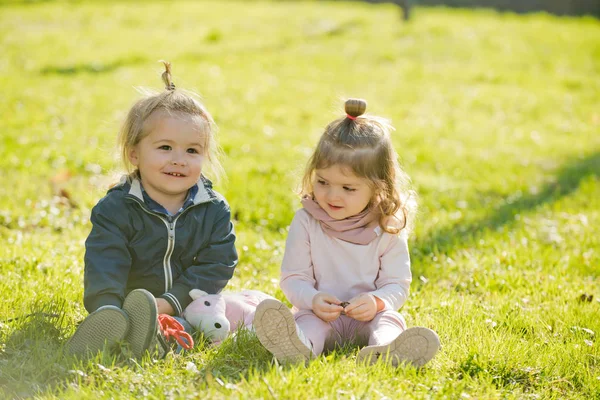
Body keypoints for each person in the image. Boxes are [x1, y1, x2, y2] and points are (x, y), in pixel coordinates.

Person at [67, 62, 238, 359]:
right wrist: (108, 306)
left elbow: (218, 264)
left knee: (198, 323)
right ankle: (113, 328)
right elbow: (104, 262)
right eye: (165, 148)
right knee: (119, 316)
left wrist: (171, 301)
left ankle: (157, 340)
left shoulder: (213, 209)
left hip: (186, 302)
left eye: (192, 151)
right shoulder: (116, 208)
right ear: (135, 153)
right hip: (127, 304)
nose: (179, 160)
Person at [253, 98, 439, 367]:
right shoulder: (307, 220)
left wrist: (376, 302)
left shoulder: (387, 226)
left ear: (378, 188)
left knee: (389, 320)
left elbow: (397, 283)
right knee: (307, 323)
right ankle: (299, 348)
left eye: (348, 188)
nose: (331, 195)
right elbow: (293, 278)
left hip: (367, 317)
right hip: (320, 314)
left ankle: (385, 351)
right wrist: (313, 299)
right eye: (323, 182)